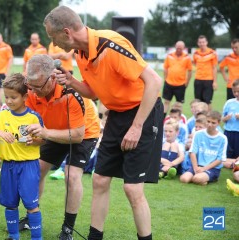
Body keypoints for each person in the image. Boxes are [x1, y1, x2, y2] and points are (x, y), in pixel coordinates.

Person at [44, 6, 163, 240]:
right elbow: (94, 93)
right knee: (99, 180)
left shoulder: (110, 44)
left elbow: (154, 81)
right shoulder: (80, 54)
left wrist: (137, 127)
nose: (54, 44)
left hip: (143, 113)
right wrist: (71, 81)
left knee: (132, 189)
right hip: (116, 115)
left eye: (53, 37)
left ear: (66, 32)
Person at [25, 55, 100, 239]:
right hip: (53, 129)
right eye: (30, 85)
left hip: (83, 133)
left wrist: (45, 133)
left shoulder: (71, 93)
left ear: (52, 78)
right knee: (38, 169)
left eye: (38, 86)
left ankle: (68, 228)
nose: (33, 91)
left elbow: (77, 135)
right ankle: (31, 217)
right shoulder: (33, 91)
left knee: (71, 176)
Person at [0, 73, 44, 240]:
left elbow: (43, 139)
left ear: (25, 96)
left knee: (32, 205)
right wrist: (2, 133)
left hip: (28, 166)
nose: (9, 101)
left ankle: (37, 238)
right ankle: (13, 236)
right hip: (8, 166)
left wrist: (35, 140)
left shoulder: (33, 117)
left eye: (13, 97)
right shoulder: (3, 115)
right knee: (10, 204)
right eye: (6, 97)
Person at [180, 111, 227, 185]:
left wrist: (204, 169)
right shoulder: (198, 134)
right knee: (184, 179)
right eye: (208, 121)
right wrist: (195, 168)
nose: (210, 124)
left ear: (218, 123)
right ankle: (202, 179)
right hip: (198, 166)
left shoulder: (223, 138)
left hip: (212, 168)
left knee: (197, 178)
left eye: (213, 123)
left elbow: (220, 159)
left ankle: (209, 178)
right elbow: (192, 152)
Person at [162, 41, 192, 117]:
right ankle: (162, 119)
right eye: (178, 47)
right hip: (169, 83)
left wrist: (187, 83)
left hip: (181, 84)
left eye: (180, 48)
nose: (179, 49)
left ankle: (178, 119)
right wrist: (165, 79)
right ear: (175, 47)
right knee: (166, 102)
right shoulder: (169, 56)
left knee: (179, 104)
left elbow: (190, 71)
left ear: (183, 48)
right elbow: (165, 68)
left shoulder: (187, 57)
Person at [192, 35, 218, 108]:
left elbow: (214, 68)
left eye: (203, 42)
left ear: (206, 42)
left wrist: (215, 81)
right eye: (200, 42)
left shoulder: (212, 53)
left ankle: (207, 118)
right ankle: (199, 118)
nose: (202, 44)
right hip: (198, 79)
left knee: (207, 101)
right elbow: (194, 64)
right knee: (198, 101)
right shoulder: (195, 53)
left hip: (208, 80)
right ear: (198, 43)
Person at [222, 79, 239, 168]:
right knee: (227, 153)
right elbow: (222, 119)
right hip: (228, 132)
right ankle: (230, 164)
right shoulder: (229, 102)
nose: (236, 94)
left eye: (238, 91)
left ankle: (235, 165)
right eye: (234, 91)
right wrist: (226, 118)